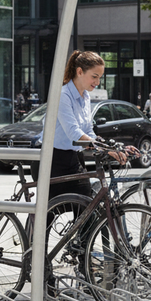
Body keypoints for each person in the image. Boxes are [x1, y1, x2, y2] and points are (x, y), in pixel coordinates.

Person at [51, 50, 132, 197]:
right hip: (52, 160)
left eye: (100, 77)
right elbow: (73, 132)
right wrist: (104, 148)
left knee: (86, 207)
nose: (97, 82)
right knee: (48, 214)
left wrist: (107, 146)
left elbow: (88, 130)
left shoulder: (86, 96)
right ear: (80, 71)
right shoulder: (63, 95)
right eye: (94, 76)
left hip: (73, 157)